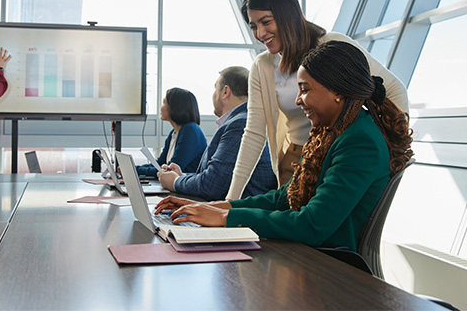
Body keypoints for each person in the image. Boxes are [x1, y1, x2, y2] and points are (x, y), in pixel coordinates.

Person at [155, 41, 413, 251]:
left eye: (305, 89)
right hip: (310, 254)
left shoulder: (360, 140)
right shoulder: (330, 133)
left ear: (337, 91)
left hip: (331, 267)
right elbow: (283, 198)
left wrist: (225, 219)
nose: (298, 100)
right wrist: (217, 207)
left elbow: (313, 224)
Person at [226, 0, 409, 199]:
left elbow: (394, 90)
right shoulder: (262, 66)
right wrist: (230, 199)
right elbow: (254, 133)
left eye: (266, 22)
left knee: (321, 226)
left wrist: (390, 147)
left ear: (288, 14)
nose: (260, 33)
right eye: (253, 26)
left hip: (340, 155)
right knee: (288, 225)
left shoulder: (332, 45)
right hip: (296, 159)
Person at [157, 67, 277, 200]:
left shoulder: (240, 124)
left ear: (225, 91)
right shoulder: (242, 120)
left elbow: (211, 186)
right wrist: (182, 176)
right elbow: (216, 177)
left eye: (215, 89)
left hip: (238, 216)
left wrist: (175, 182)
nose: (213, 95)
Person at [135, 87, 207, 178]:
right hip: (176, 186)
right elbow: (160, 163)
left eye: (164, 102)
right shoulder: (175, 132)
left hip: (186, 190)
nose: (161, 107)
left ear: (175, 107)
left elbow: (169, 170)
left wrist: (136, 170)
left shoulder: (190, 131)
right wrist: (135, 168)